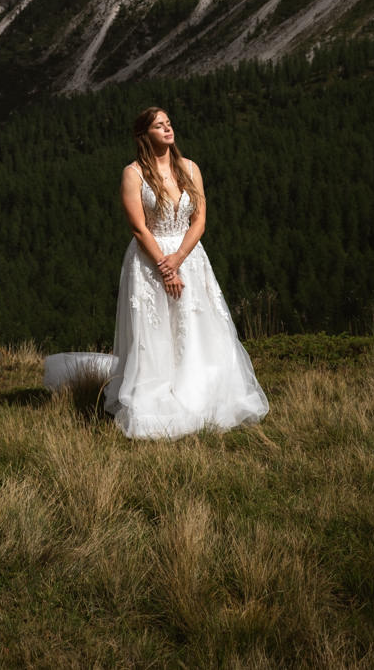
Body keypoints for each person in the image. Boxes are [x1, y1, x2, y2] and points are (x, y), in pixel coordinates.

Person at [44, 107, 268, 440]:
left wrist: (178, 258)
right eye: (158, 125)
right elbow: (138, 227)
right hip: (150, 261)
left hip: (189, 257)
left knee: (195, 324)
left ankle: (201, 391)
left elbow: (200, 220)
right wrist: (165, 266)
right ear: (144, 134)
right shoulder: (133, 174)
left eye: (168, 123)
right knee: (156, 330)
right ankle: (158, 394)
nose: (167, 128)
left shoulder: (190, 168)